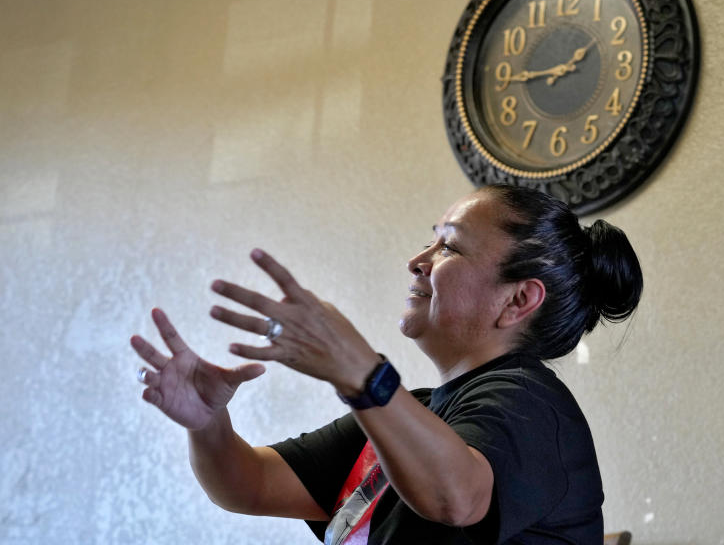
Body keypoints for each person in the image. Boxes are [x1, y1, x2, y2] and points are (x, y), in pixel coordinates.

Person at [130, 184, 643, 544]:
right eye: (431, 239)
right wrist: (207, 423)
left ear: (517, 301)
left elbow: (458, 498)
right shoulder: (410, 417)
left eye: (450, 247)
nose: (418, 260)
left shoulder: (530, 405)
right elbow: (250, 484)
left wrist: (358, 371)